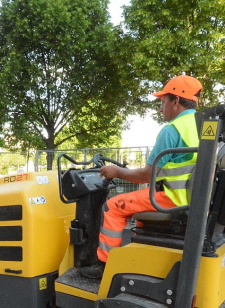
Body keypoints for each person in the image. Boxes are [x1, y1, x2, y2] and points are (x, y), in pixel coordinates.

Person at [79, 75, 202, 279]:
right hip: (191, 198)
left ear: (176, 101)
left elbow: (146, 175)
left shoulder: (171, 131)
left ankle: (104, 266)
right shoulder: (202, 126)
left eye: (163, 103)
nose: (161, 108)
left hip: (172, 198)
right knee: (138, 210)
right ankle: (141, 253)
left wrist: (116, 172)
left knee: (113, 207)